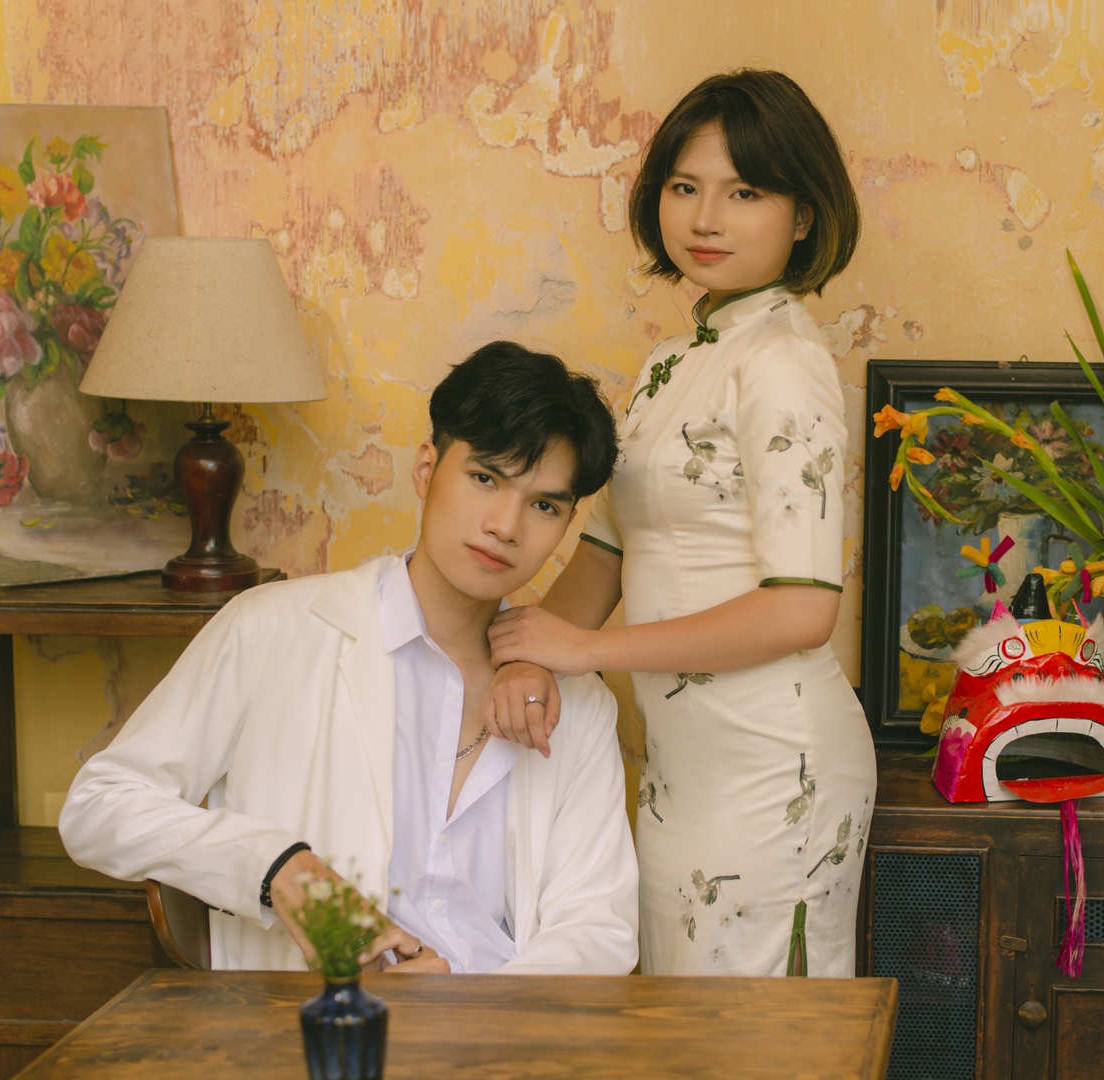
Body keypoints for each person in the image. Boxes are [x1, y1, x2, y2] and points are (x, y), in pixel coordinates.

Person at [59, 342, 638, 975]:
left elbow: (599, 930)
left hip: (504, 1027)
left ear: (566, 524)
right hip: (307, 1023)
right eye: (484, 479)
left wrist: (476, 1004)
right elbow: (99, 806)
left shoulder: (577, 702)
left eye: (544, 505)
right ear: (426, 470)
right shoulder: (271, 629)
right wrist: (280, 869)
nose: (506, 526)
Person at [484, 70, 875, 978]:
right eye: (685, 186)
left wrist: (587, 652)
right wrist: (530, 653)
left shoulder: (781, 362)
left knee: (754, 1037)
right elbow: (608, 550)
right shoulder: (670, 364)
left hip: (775, 769)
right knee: (681, 1029)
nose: (706, 219)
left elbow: (802, 611)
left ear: (803, 214)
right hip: (680, 777)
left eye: (745, 193)